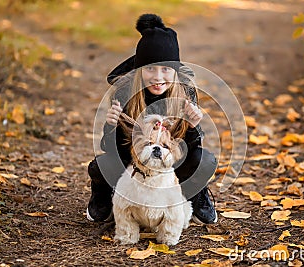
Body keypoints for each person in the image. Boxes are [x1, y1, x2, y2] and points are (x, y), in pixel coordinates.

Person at [87, 14, 218, 224]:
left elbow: (191, 149)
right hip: (134, 163)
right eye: (150, 69)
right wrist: (111, 127)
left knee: (205, 160)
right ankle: (107, 196)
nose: (158, 77)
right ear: (139, 70)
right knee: (100, 165)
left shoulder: (185, 93)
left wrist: (193, 127)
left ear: (175, 71)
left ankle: (192, 195)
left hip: (170, 162)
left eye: (165, 69)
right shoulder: (125, 93)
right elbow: (111, 148)